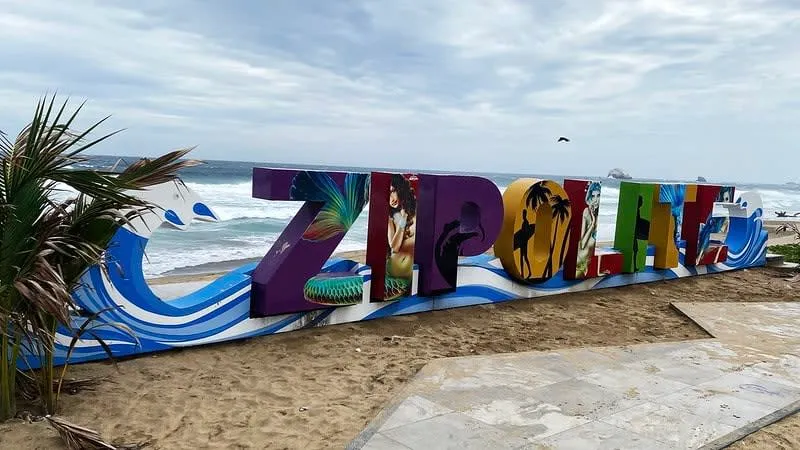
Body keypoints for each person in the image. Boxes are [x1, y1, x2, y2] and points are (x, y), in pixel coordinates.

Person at [387, 174, 416, 278]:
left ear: (400, 189)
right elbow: (394, 247)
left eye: (393, 191)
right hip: (397, 270)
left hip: (415, 268)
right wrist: (402, 220)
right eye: (387, 195)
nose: (391, 199)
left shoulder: (417, 208)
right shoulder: (391, 217)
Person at [576, 182, 601, 277]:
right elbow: (582, 244)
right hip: (580, 260)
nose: (595, 199)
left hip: (588, 263)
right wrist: (592, 224)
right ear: (590, 197)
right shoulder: (587, 212)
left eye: (598, 195)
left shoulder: (598, 214)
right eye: (593, 196)